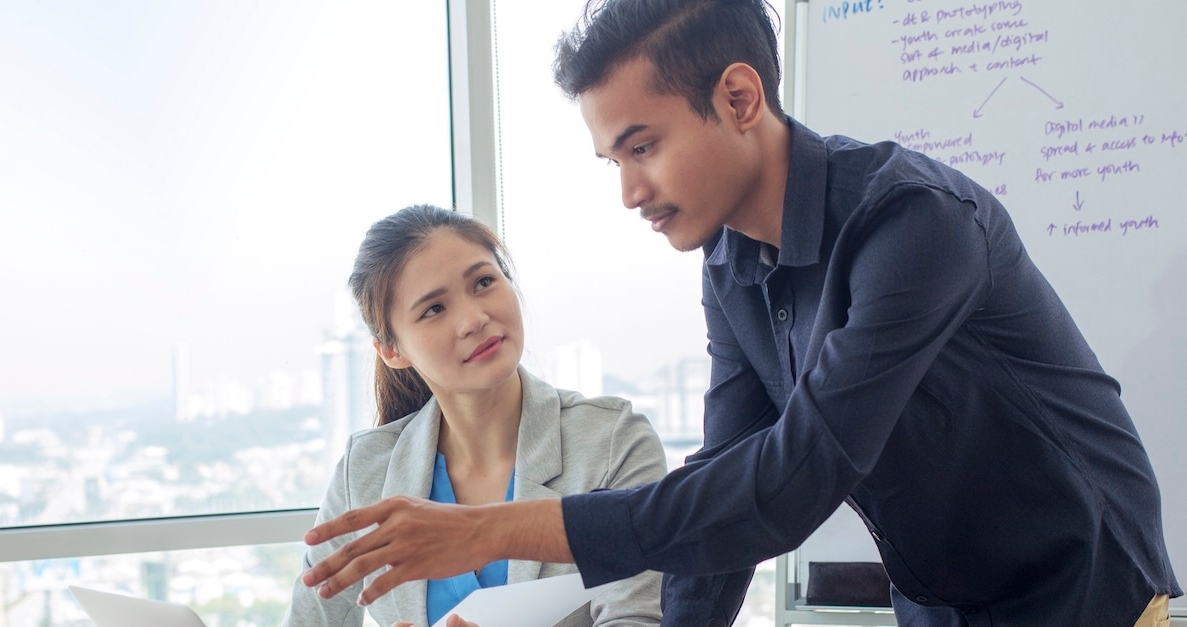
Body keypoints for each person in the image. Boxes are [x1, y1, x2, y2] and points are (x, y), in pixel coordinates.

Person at [298, 2, 1182, 625]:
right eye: (612, 160)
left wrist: (485, 530)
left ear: (739, 97)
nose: (630, 192)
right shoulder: (731, 264)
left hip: (1084, 592)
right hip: (938, 598)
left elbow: (789, 483)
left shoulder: (915, 224)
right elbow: (727, 480)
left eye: (642, 147)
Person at [282, 205, 666, 627]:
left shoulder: (612, 443)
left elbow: (639, 620)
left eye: (484, 282)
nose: (474, 319)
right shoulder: (365, 471)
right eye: (434, 309)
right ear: (393, 351)